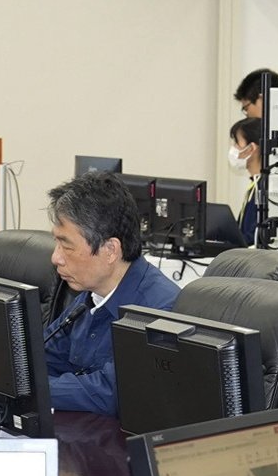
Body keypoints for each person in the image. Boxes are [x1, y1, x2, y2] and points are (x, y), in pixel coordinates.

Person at [44, 170, 182, 415]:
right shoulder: (88, 296)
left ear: (110, 250)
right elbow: (47, 356)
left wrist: (32, 389)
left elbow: (112, 392)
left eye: (66, 245)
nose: (56, 257)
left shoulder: (159, 310)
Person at [227, 116, 268, 247]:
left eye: (237, 143)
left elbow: (253, 236)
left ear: (251, 148)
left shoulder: (264, 188)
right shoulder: (254, 185)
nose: (233, 149)